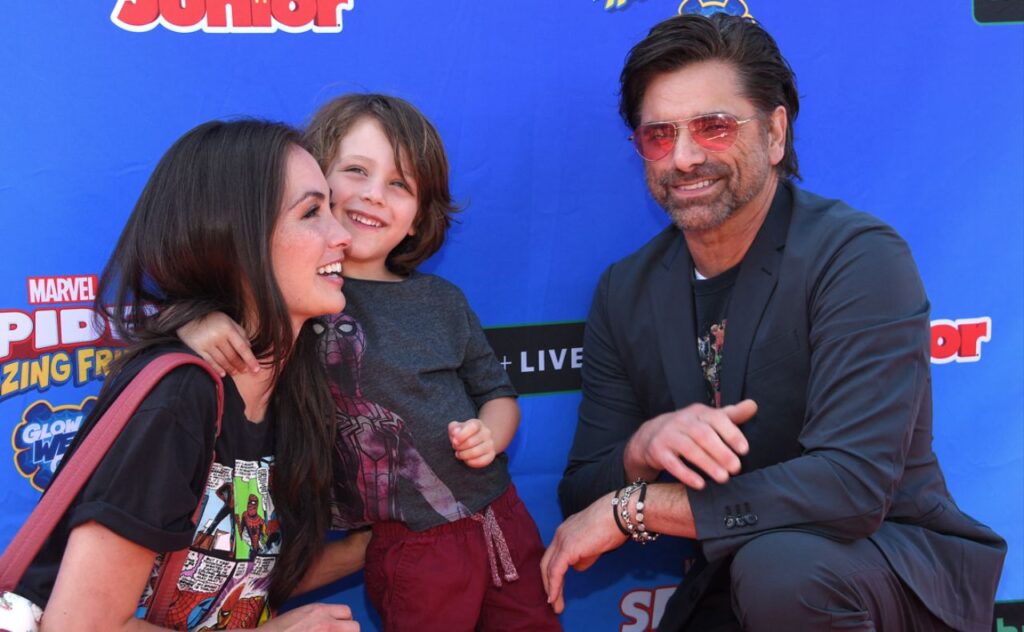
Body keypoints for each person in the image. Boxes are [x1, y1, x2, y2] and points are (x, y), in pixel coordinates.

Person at [541, 13, 1006, 632]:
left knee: (781, 569)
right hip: (736, 579)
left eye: (713, 127)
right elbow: (582, 497)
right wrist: (641, 448)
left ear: (775, 133)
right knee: (760, 574)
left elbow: (851, 486)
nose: (683, 157)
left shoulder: (856, 255)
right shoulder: (626, 290)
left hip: (886, 568)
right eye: (659, 135)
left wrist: (644, 506)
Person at [179, 94, 562, 631]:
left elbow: (497, 392)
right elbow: (205, 292)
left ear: (417, 219)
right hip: (409, 545)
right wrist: (196, 322)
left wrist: (490, 435)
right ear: (312, 178)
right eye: (356, 170)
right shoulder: (296, 293)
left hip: (503, 518)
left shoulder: (443, 300)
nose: (373, 195)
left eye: (399, 184)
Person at [16, 119, 366, 631]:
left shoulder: (292, 391)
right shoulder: (182, 396)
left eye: (333, 209)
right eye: (312, 212)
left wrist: (383, 546)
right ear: (233, 241)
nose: (342, 235)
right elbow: (78, 626)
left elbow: (235, 580)